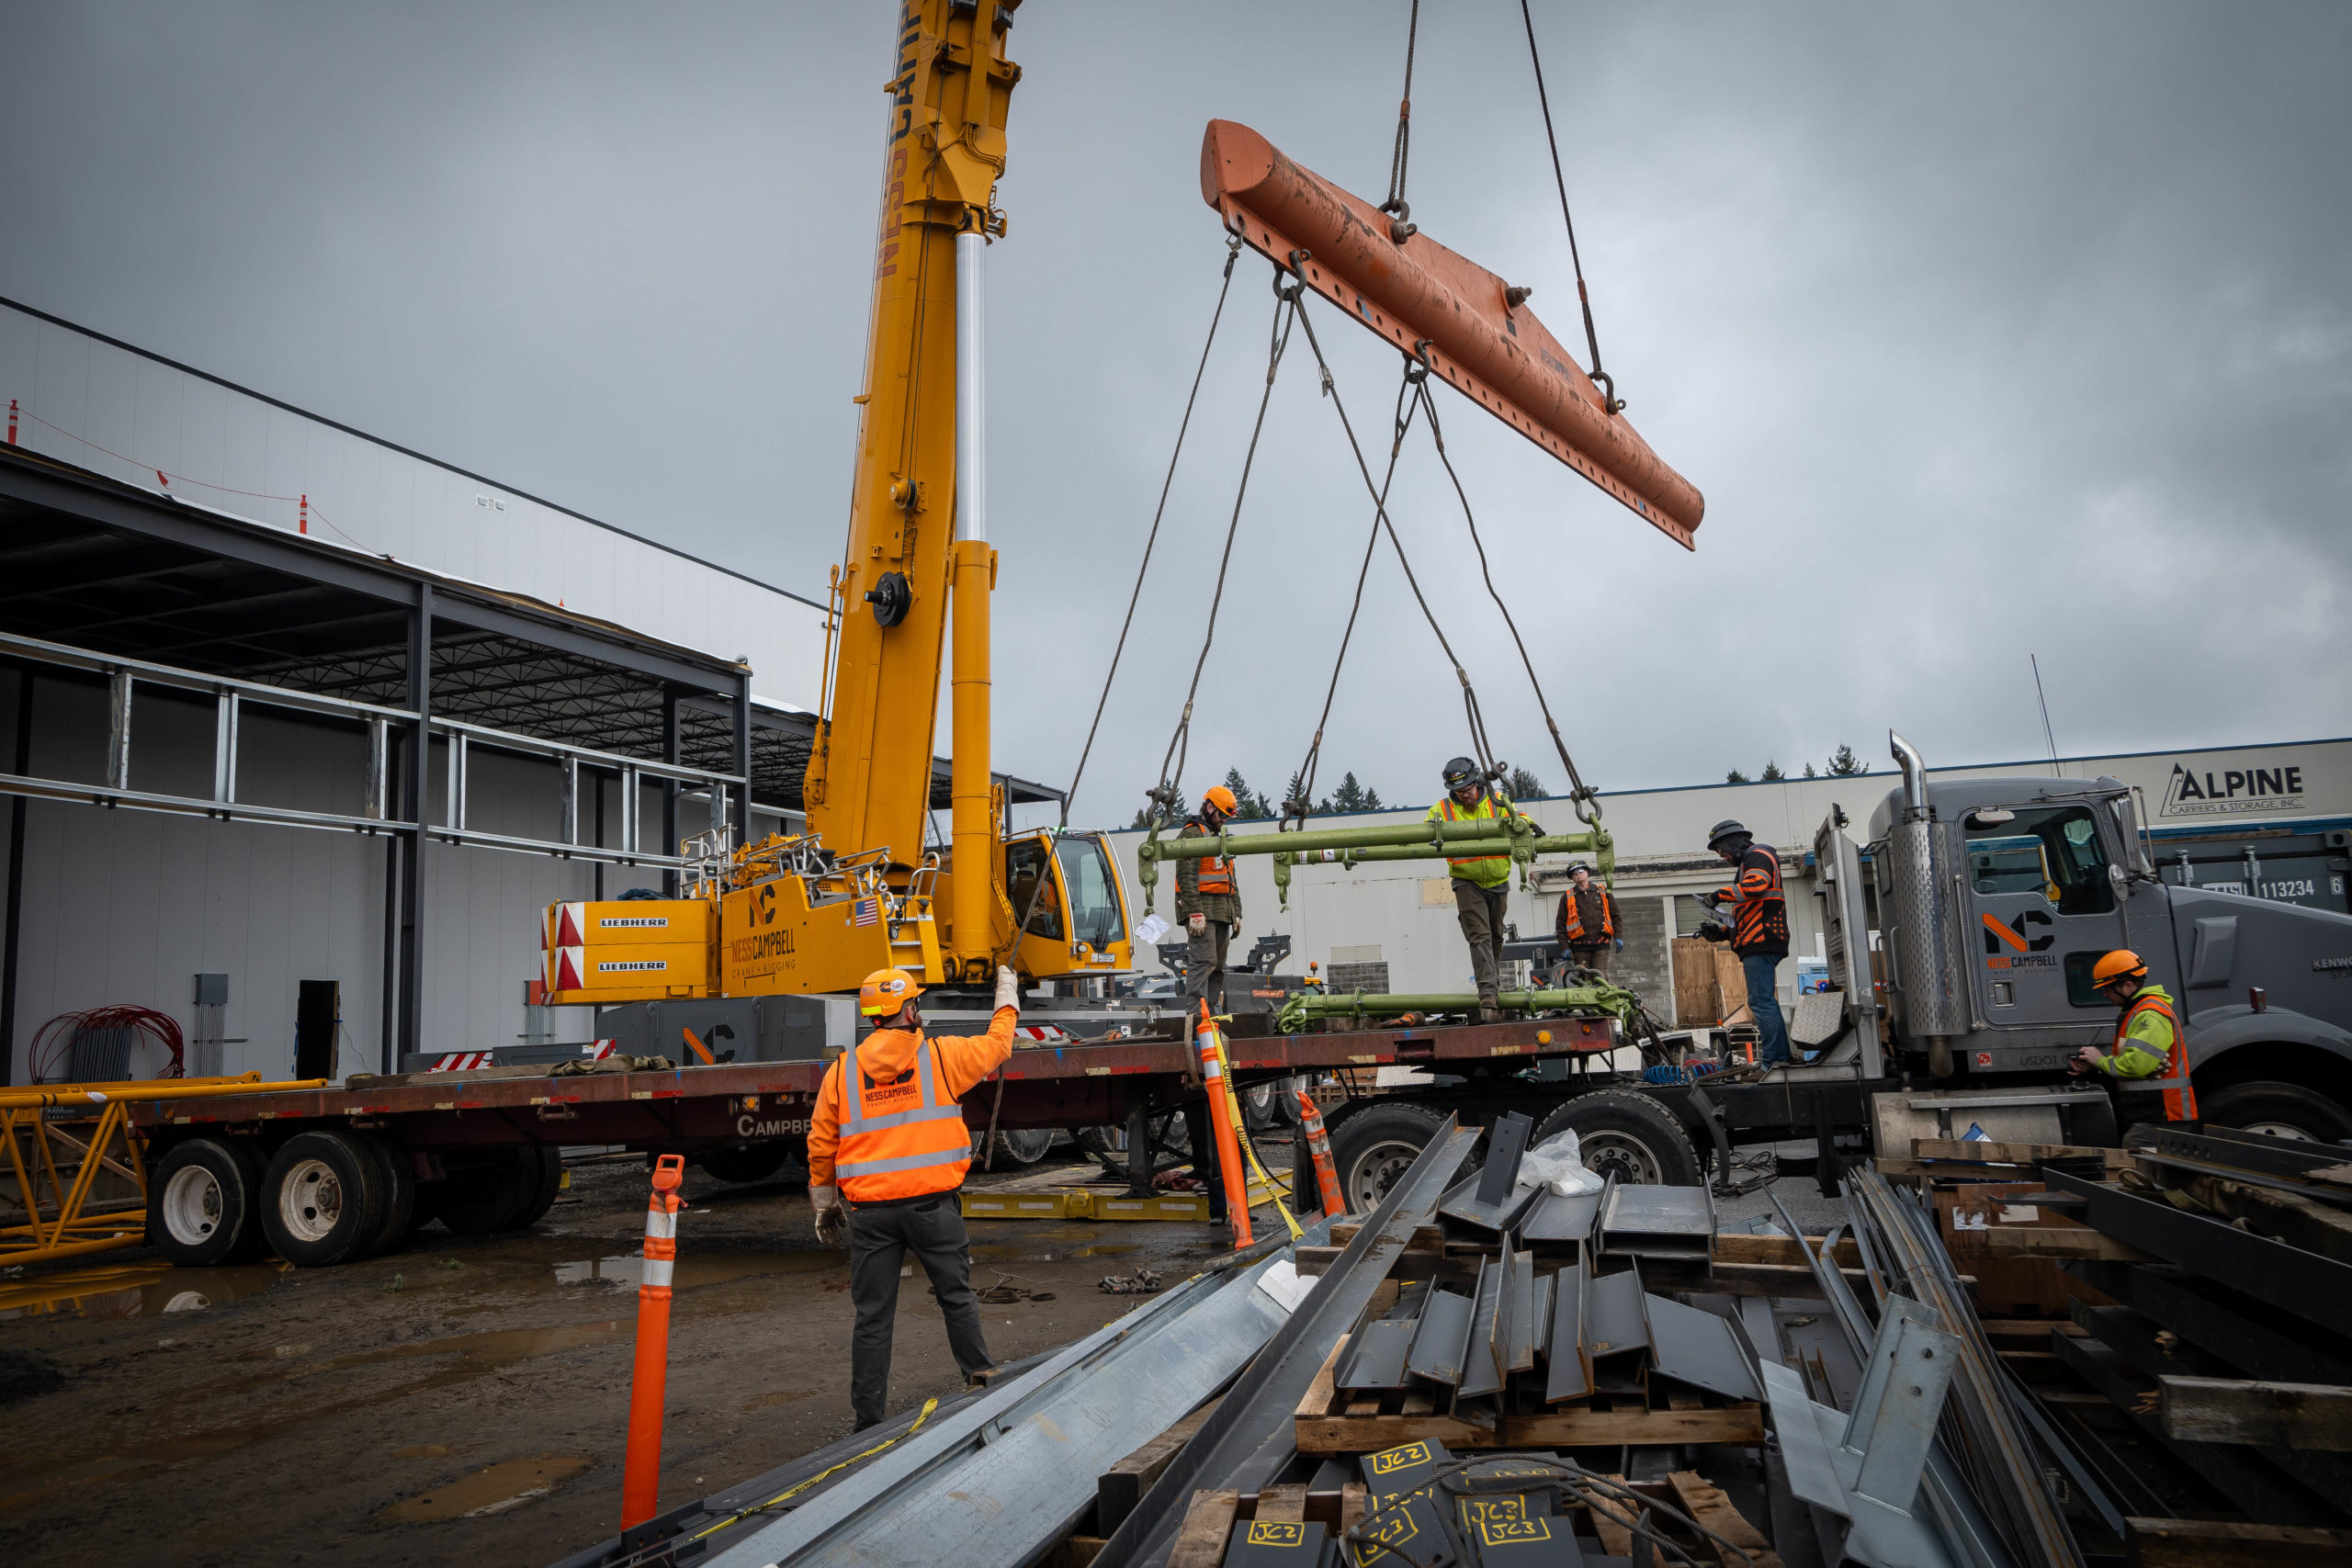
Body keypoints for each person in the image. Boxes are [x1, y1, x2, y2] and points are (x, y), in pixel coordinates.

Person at [807, 963, 1021, 1431]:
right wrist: (1006, 994)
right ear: (908, 1010)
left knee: (872, 1319)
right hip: (934, 1209)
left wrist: (825, 1203)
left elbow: (822, 1143)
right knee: (957, 1298)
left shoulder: (841, 1074)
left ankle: (866, 1424)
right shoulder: (942, 1057)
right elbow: (1000, 1044)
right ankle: (981, 1382)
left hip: (872, 1217)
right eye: (915, 1002)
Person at [1428, 757, 1532, 1023]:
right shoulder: (1442, 809)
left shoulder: (1497, 801)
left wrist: (1529, 826)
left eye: (1468, 791)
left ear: (1477, 783)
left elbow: (1520, 818)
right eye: (1459, 793)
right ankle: (1488, 992)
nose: (1464, 797)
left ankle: (1491, 985)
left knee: (1497, 935)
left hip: (1498, 881)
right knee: (1480, 936)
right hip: (1467, 882)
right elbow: (1425, 830)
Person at [1700, 818, 1792, 1064]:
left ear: (1732, 842)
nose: (1723, 856)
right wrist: (1721, 932)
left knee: (1761, 1003)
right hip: (1760, 938)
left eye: (1722, 851)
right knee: (1765, 1002)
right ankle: (1781, 1058)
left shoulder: (1758, 854)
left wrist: (1718, 895)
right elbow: (1748, 912)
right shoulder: (1750, 861)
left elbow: (1757, 885)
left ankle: (1774, 1062)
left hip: (1762, 939)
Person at [2068, 949, 2198, 1123]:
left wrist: (2100, 1061)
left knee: (2138, 1147)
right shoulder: (2136, 1012)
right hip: (2151, 1112)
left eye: (2107, 988)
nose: (2105, 994)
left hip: (2163, 1115)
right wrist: (2097, 1066)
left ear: (2128, 986)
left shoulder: (2150, 1014)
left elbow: (2137, 1065)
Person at [1176, 784, 1242, 1011]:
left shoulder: (1220, 836)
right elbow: (1186, 877)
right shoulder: (1193, 834)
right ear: (1209, 807)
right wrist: (1194, 912)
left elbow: (1230, 878)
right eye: (1222, 814)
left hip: (1222, 911)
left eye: (1227, 816)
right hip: (1202, 911)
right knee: (1204, 961)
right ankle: (1196, 1017)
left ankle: (1211, 1012)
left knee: (1218, 966)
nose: (1225, 819)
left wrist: (1237, 913)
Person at [1555, 862, 1625, 980]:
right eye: (1574, 873)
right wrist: (1564, 946)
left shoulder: (1603, 892)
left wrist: (1618, 936)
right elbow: (1560, 924)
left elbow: (1616, 917)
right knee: (1584, 979)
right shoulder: (1567, 896)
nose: (1578, 875)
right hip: (1579, 947)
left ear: (1587, 873)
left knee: (1600, 977)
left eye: (1580, 871)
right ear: (1572, 878)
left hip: (1601, 944)